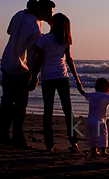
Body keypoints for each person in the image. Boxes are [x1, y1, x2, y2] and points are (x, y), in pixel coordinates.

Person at [0, 0, 55, 148]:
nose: (50, 16)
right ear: (41, 11)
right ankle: (18, 137)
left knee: (6, 102)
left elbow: (9, 31)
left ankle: (3, 135)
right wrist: (34, 74)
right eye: (49, 13)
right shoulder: (35, 29)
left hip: (6, 61)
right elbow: (31, 55)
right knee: (20, 105)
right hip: (20, 66)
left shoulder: (19, 14)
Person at [29, 13, 84, 153]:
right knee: (68, 111)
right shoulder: (65, 40)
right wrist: (77, 80)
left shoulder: (43, 40)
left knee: (48, 111)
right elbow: (69, 60)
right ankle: (74, 142)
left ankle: (49, 144)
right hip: (62, 77)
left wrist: (33, 75)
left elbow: (39, 60)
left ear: (54, 24)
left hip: (48, 77)